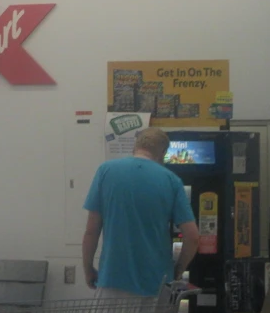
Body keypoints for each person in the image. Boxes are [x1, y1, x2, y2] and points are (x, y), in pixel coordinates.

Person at [82, 127, 200, 300]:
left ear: (135, 146)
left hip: (112, 280)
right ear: (163, 152)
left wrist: (88, 269)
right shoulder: (171, 180)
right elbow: (193, 237)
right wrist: (178, 269)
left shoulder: (105, 171)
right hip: (156, 285)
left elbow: (91, 231)